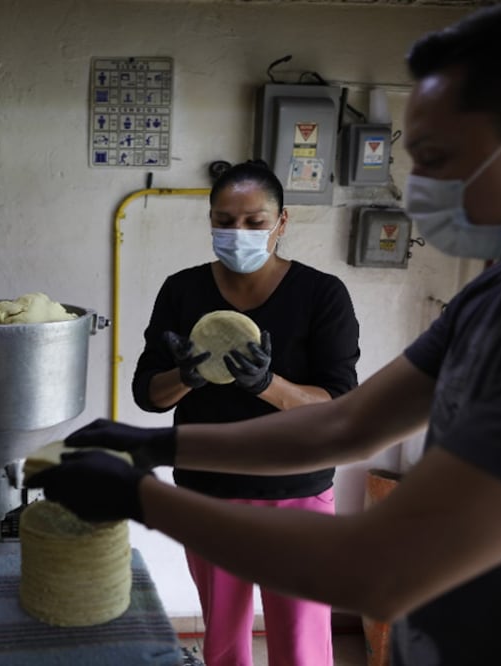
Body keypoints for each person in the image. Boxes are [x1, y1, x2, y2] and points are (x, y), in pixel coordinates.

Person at [27, 1, 501, 664]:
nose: (415, 187)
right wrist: (153, 443)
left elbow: (380, 569)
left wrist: (140, 497)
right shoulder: (495, 292)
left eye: (434, 157)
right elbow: (345, 425)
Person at [131, 159, 359, 666]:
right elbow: (148, 393)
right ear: (210, 220)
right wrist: (186, 376)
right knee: (225, 645)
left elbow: (340, 401)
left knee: (301, 647)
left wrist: (266, 384)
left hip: (295, 491)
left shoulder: (321, 295)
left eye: (255, 222)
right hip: (208, 493)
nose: (239, 233)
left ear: (282, 221)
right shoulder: (182, 291)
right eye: (225, 221)